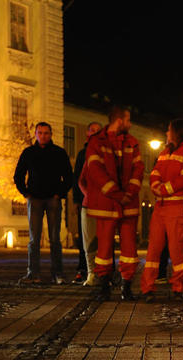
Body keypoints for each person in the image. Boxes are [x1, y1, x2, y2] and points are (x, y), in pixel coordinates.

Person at [80, 105, 144, 301]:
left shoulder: (132, 142)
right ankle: (104, 286)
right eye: (128, 120)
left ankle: (126, 286)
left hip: (123, 203)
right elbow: (95, 172)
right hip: (109, 204)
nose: (130, 124)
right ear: (119, 121)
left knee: (129, 249)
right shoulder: (97, 142)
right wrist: (119, 194)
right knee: (104, 248)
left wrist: (128, 193)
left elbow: (138, 170)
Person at [141, 119, 183, 301]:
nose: (166, 133)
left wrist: (164, 188)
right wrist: (156, 186)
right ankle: (147, 288)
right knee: (153, 249)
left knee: (177, 250)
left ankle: (178, 288)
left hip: (177, 207)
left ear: (177, 133)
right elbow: (154, 173)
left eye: (169, 130)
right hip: (161, 207)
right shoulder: (165, 152)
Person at [13, 122, 73, 285]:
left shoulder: (59, 153)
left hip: (52, 199)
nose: (43, 135)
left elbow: (68, 177)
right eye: (40, 133)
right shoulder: (29, 152)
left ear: (51, 134)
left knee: (55, 239)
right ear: (36, 134)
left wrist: (58, 194)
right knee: (34, 239)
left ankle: (57, 273)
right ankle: (33, 273)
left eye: (46, 133)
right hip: (35, 199)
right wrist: (26, 193)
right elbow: (18, 175)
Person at [72, 122, 102, 285]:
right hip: (88, 203)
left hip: (104, 205)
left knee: (104, 241)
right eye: (93, 131)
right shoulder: (85, 154)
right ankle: (89, 272)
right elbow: (79, 179)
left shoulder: (107, 154)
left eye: (99, 132)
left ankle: (105, 273)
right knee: (88, 240)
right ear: (87, 133)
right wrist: (84, 197)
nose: (95, 134)